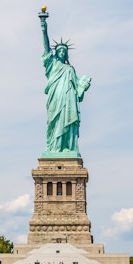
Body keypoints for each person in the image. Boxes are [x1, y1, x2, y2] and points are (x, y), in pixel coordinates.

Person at [39, 11, 91, 156]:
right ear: (56, 53)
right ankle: (54, 148)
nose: (61, 52)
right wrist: (44, 27)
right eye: (60, 50)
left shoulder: (70, 69)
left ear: (66, 54)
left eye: (64, 51)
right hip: (56, 98)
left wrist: (83, 87)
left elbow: (78, 94)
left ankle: (67, 147)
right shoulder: (52, 64)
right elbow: (46, 46)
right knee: (54, 122)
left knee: (68, 122)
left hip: (69, 100)